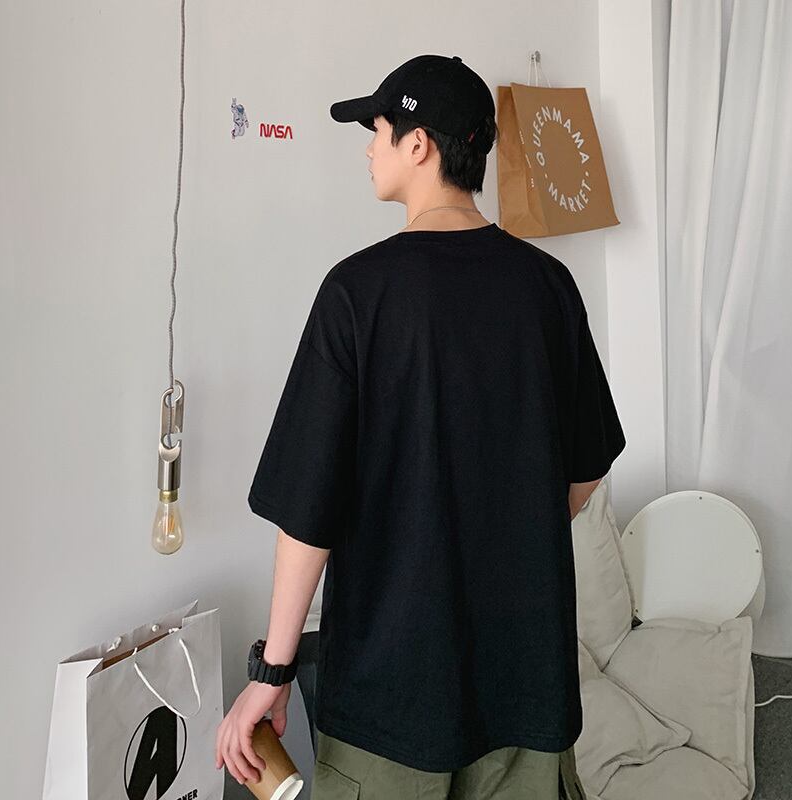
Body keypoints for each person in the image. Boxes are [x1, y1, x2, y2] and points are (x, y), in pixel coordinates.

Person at [216, 53, 625, 799]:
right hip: (527, 682)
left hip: (392, 694)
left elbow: (307, 512)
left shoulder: (356, 294)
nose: (368, 150)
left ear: (418, 144)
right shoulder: (548, 287)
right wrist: (511, 530)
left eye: (376, 131)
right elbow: (587, 468)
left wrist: (272, 673)